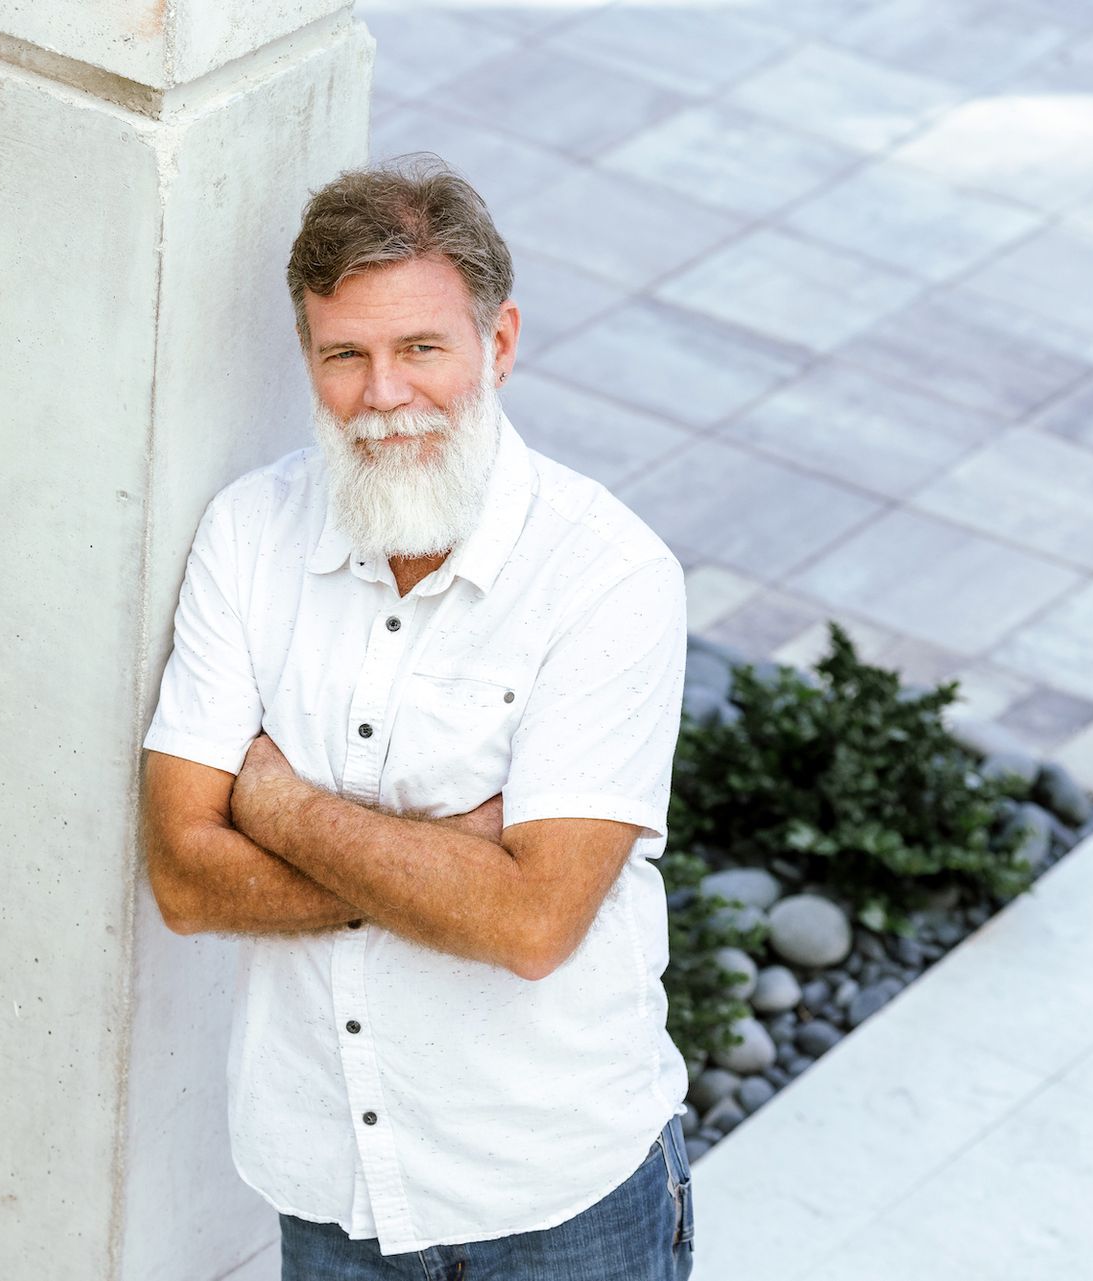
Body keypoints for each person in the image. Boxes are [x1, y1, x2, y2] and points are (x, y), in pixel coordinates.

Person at [138, 156, 696, 1280]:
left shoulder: (609, 577)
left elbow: (534, 926)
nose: (383, 395)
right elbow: (188, 883)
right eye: (345, 355)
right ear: (308, 359)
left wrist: (278, 804)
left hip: (557, 1202)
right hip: (328, 1189)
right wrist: (458, 864)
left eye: (420, 350)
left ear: (498, 344)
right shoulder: (249, 537)